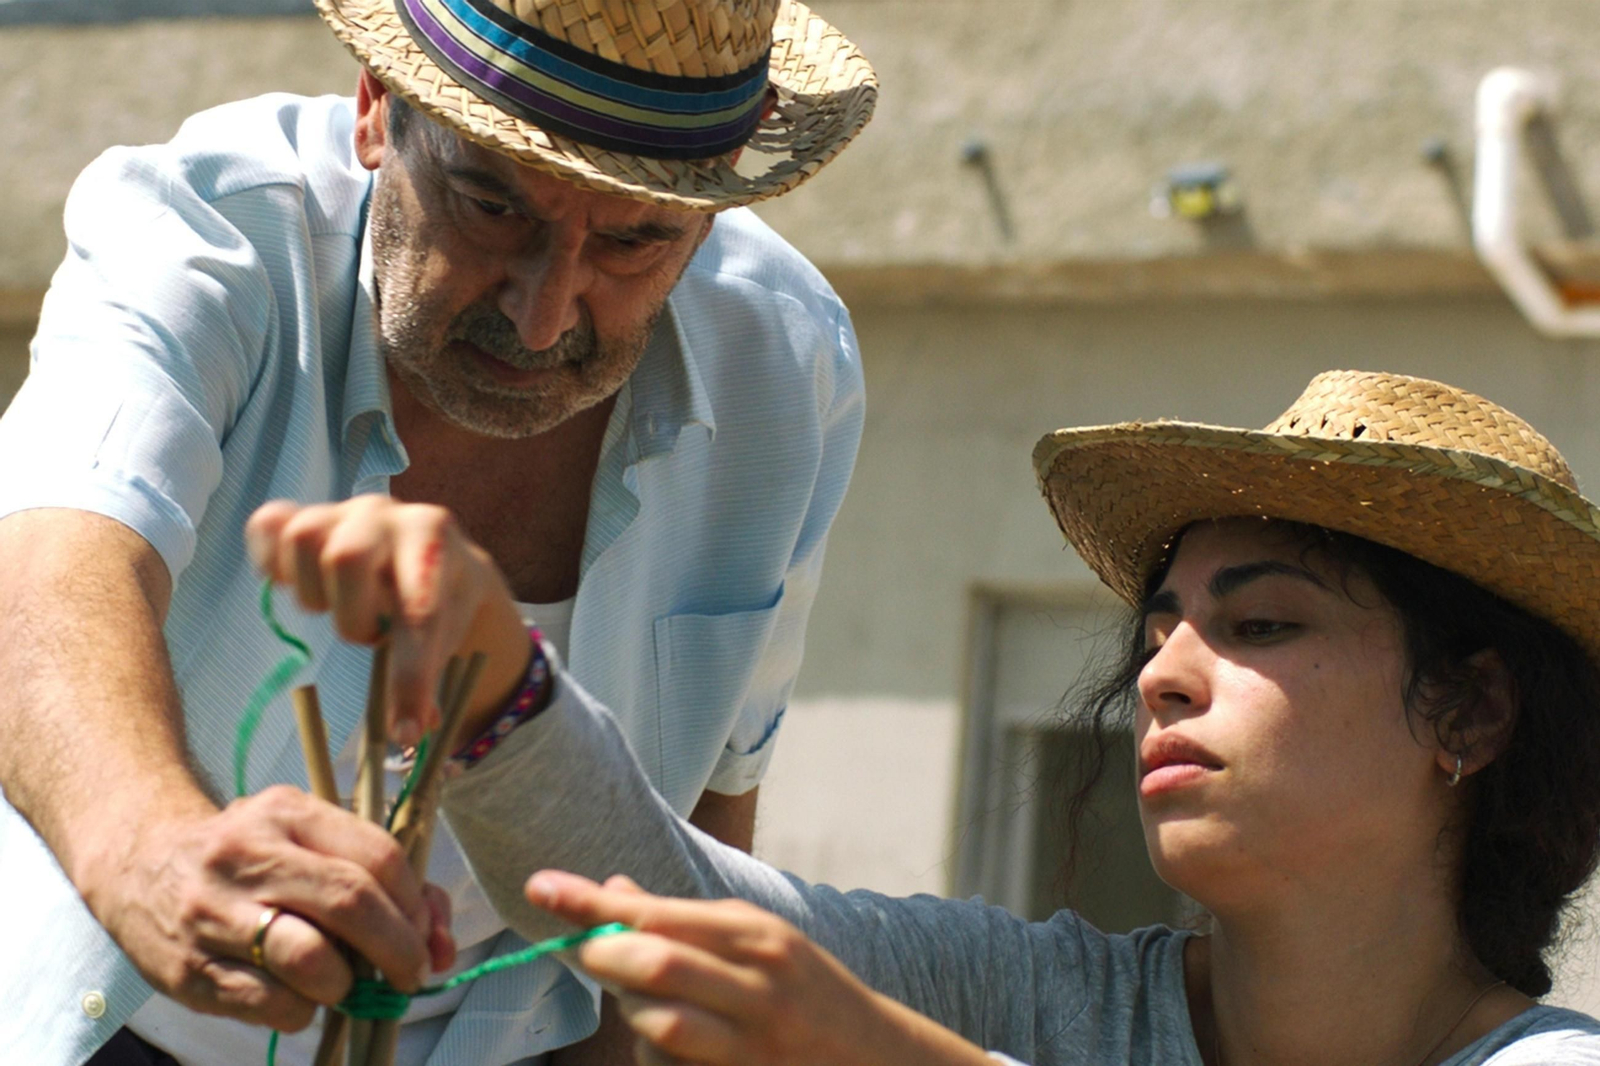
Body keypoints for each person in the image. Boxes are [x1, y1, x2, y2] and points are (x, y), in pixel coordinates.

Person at [252, 369, 1600, 1065]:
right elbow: (655, 894)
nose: (1163, 673)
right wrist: (495, 667)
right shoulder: (1049, 998)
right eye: (1158, 627)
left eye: (1261, 625)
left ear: (1471, 709)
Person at [0, 0, 876, 1063]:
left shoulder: (790, 367)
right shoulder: (207, 225)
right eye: (492, 207)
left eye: (633, 240)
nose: (544, 312)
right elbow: (50, 569)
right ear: (378, 108)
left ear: (709, 206)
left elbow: (700, 832)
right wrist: (150, 852)